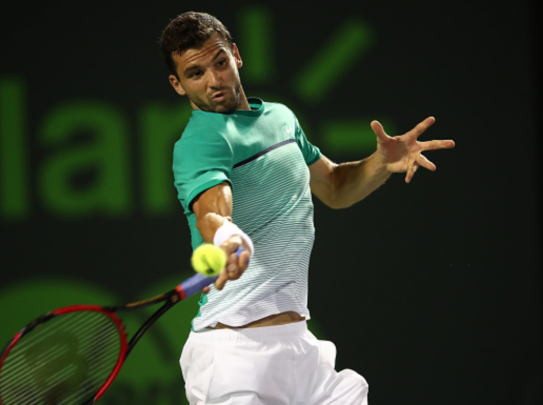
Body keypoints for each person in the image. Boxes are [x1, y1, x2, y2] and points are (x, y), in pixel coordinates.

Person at [160, 11, 455, 405]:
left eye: (219, 63)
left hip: (301, 349)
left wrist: (379, 163)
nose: (214, 80)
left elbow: (334, 187)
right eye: (196, 73)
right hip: (233, 353)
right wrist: (227, 235)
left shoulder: (281, 118)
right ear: (177, 85)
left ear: (235, 55)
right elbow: (211, 211)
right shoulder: (199, 142)